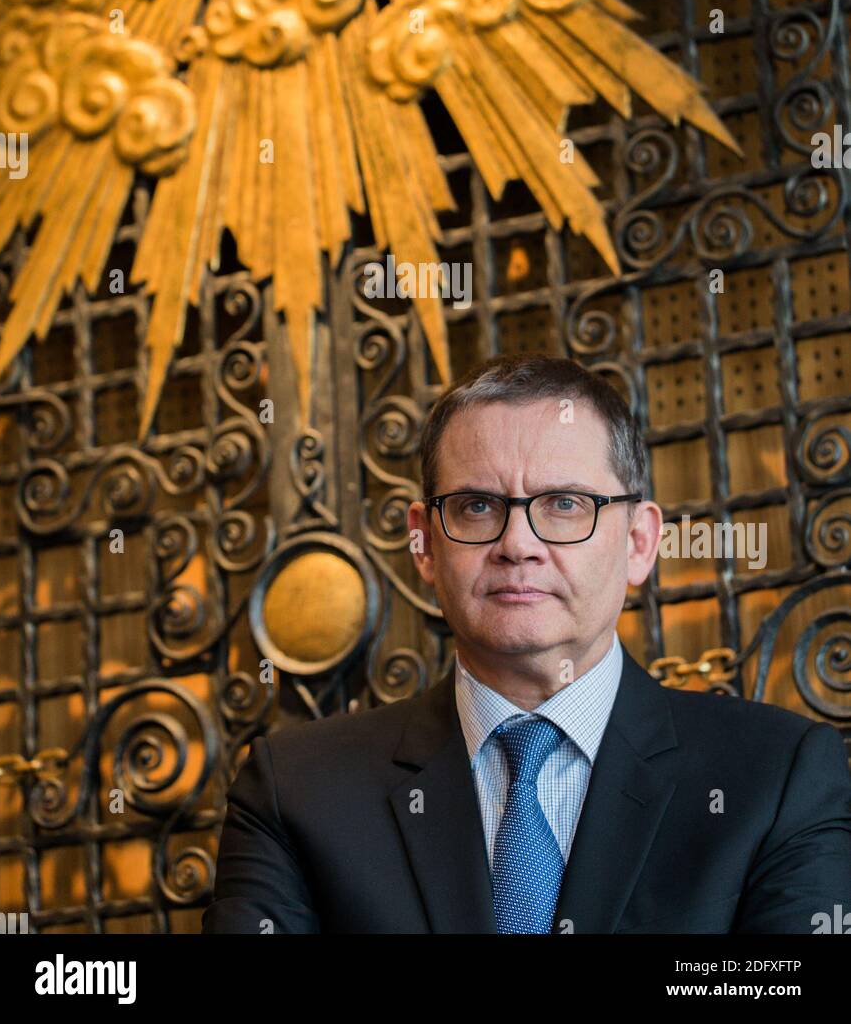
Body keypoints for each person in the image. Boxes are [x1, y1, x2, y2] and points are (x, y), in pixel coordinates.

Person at [202, 353, 851, 933]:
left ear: (639, 542)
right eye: (477, 507)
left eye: (565, 504)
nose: (517, 545)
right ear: (424, 543)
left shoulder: (776, 778)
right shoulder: (296, 792)